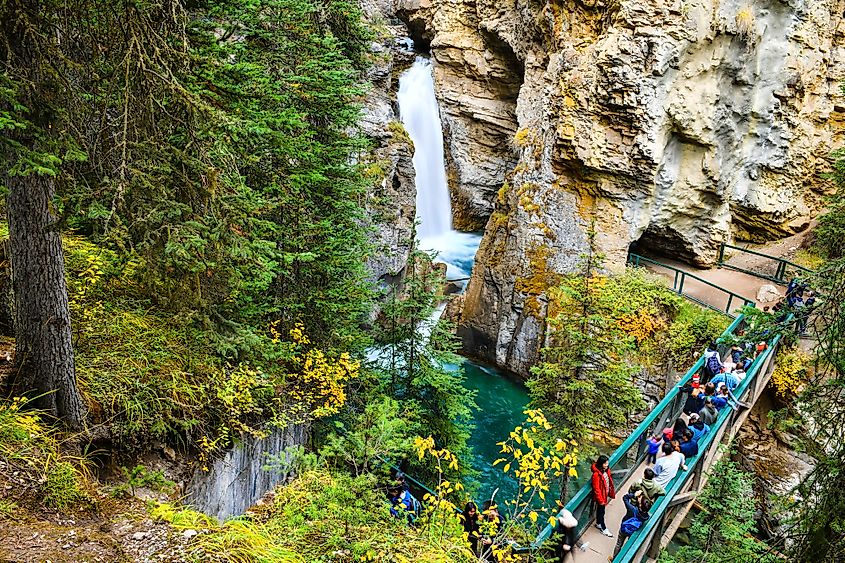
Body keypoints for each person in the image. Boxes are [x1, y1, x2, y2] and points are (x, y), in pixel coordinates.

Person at [611, 489, 652, 559]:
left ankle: (615, 559)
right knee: (628, 545)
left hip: (624, 528)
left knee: (619, 544)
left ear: (640, 505)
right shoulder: (646, 516)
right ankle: (625, 558)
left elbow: (625, 498)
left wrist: (634, 495)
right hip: (633, 531)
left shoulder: (632, 509)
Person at [591, 454, 615, 537]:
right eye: (605, 463)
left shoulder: (606, 470)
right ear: (601, 464)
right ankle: (604, 528)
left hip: (605, 494)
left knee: (600, 511)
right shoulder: (596, 475)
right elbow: (596, 488)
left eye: (607, 463)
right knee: (602, 512)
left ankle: (598, 523)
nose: (607, 465)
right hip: (601, 497)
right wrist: (601, 500)